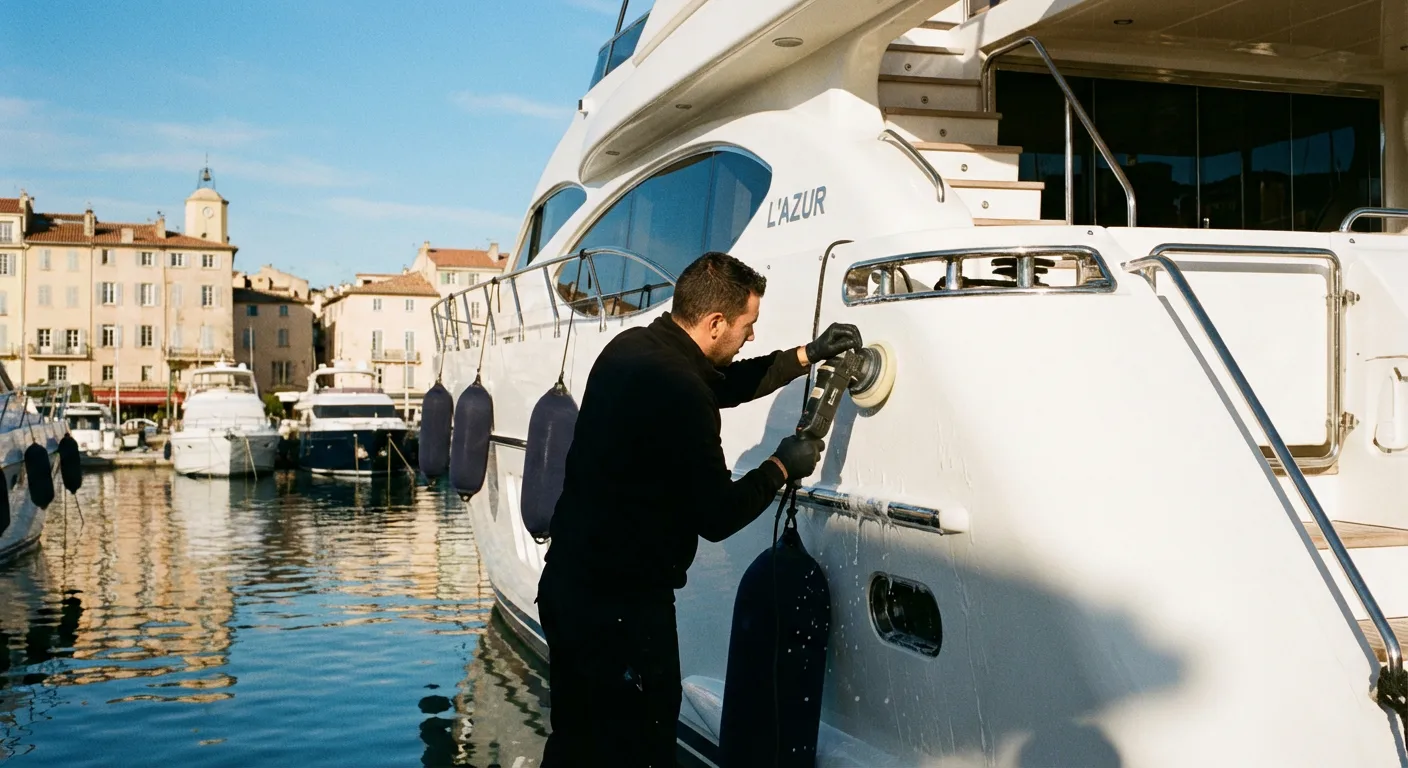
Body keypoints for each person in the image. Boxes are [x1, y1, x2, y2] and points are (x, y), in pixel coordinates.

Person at [537, 251, 863, 766]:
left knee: (576, 742)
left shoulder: (631, 349)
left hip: (568, 590)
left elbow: (721, 384)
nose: (750, 336)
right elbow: (717, 517)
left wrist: (806, 354)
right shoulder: (683, 392)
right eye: (747, 324)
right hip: (622, 614)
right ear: (714, 323)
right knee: (640, 749)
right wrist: (782, 464)